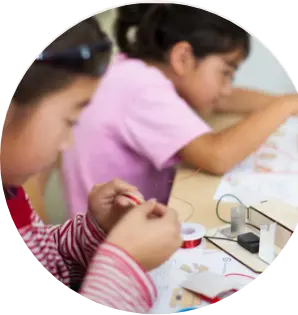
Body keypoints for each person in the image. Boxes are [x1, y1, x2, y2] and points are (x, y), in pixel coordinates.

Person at [0, 16, 181, 313]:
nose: (67, 143)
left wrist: (94, 231)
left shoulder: (11, 191)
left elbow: (44, 257)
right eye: (69, 121)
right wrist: (125, 262)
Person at [58, 4, 298, 218]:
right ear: (183, 57)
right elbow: (217, 156)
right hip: (112, 245)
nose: (227, 88)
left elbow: (222, 101)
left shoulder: (133, 70)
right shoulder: (140, 87)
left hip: (118, 226)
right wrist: (286, 105)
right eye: (226, 72)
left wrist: (292, 101)